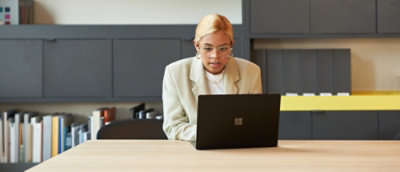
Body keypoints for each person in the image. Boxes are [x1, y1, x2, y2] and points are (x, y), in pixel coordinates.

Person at [162, 14, 262, 141]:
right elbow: (173, 127)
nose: (215, 55)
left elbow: (255, 123)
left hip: (237, 148)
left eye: (223, 48)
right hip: (195, 150)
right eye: (208, 48)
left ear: (231, 45)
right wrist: (213, 132)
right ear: (197, 46)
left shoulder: (251, 71)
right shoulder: (175, 73)